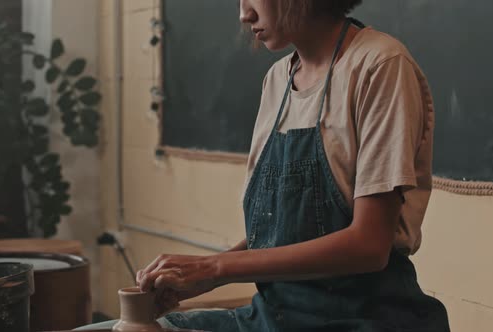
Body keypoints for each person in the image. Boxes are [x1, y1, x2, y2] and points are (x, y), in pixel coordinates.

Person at [78, 0, 451, 331]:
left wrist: (215, 269)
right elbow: (278, 235)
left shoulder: (379, 65)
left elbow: (369, 246)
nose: (244, 14)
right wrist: (201, 275)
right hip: (273, 317)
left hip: (366, 317)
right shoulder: (277, 80)